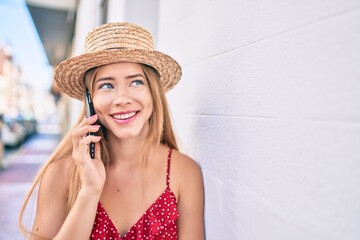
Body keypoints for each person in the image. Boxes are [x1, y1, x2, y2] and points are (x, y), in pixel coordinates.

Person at [19, 22, 204, 240]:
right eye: (107, 85)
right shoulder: (61, 174)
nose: (122, 99)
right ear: (90, 101)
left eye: (136, 82)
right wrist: (89, 190)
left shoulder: (185, 173)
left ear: (154, 93)